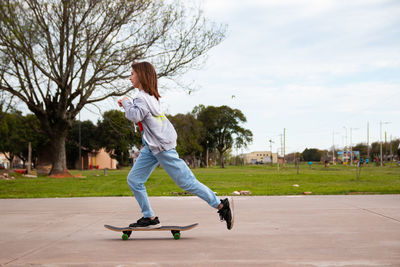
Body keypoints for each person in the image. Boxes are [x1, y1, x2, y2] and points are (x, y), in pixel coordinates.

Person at [118, 61, 233, 230]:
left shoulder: (141, 98)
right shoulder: (150, 96)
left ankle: (221, 205)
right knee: (134, 179)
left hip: (162, 147)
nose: (130, 77)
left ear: (141, 76)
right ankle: (149, 217)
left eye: (132, 74)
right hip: (151, 147)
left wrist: (126, 102)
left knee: (186, 182)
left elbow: (135, 116)